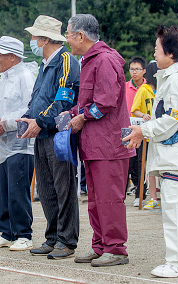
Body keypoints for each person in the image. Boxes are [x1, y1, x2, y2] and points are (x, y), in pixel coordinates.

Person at [124, 25, 178, 278]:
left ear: (170, 53)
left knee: (176, 209)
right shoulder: (174, 77)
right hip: (175, 153)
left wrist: (142, 131)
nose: (154, 54)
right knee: (176, 208)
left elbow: (173, 119)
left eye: (157, 49)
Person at [65, 14, 135, 266]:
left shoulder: (104, 59)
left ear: (80, 36)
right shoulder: (89, 60)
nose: (67, 40)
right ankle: (101, 245)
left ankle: (116, 248)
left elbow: (106, 102)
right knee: (95, 199)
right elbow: (88, 101)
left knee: (109, 199)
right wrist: (73, 113)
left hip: (109, 144)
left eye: (68, 34)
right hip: (95, 144)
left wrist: (82, 117)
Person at [18, 15, 81, 259]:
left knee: (63, 188)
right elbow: (37, 99)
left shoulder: (66, 61)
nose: (32, 41)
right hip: (41, 132)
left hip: (58, 134)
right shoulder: (44, 65)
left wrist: (40, 121)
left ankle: (67, 240)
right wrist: (27, 118)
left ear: (45, 39)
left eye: (34, 36)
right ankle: (53, 237)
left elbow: (63, 101)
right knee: (46, 189)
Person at [0, 36, 36, 251]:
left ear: (12, 57)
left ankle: (24, 234)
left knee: (17, 189)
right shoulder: (4, 79)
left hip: (21, 143)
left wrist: (5, 122)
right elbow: (3, 110)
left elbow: (29, 108)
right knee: (1, 190)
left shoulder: (25, 76)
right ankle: (6, 232)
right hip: (3, 143)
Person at [130, 61, 159, 209]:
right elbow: (134, 110)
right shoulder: (143, 90)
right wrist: (144, 115)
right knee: (146, 165)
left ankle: (161, 196)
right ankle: (149, 196)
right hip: (146, 134)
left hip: (160, 134)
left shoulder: (164, 89)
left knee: (160, 165)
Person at [125, 56, 146, 197]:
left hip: (144, 130)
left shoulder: (148, 88)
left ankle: (141, 193)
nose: (135, 72)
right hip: (127, 129)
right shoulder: (125, 87)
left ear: (144, 71)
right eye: (132, 69)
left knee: (141, 161)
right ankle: (124, 192)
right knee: (128, 163)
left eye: (137, 69)